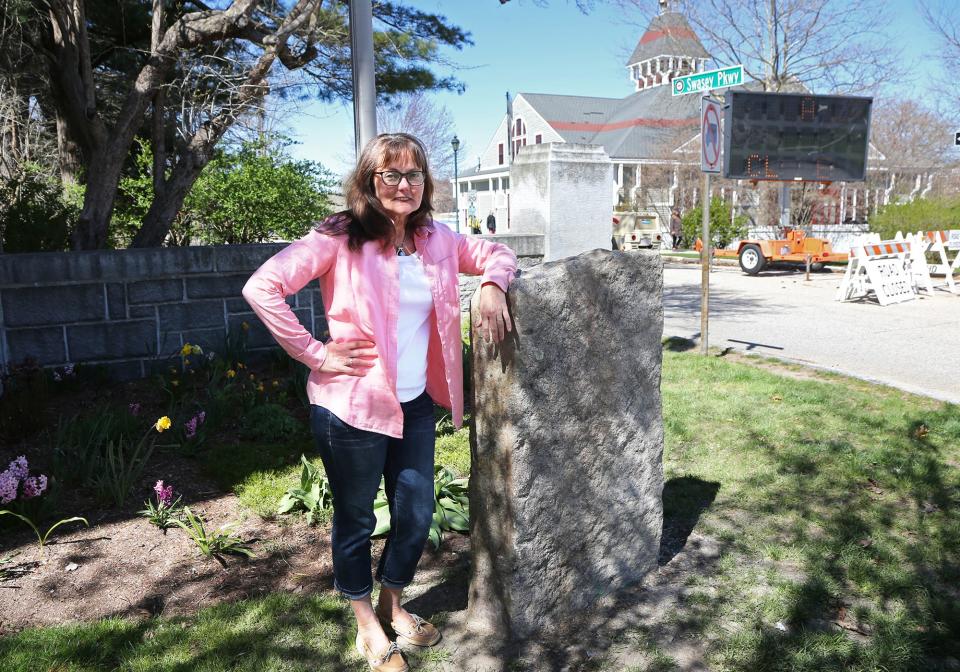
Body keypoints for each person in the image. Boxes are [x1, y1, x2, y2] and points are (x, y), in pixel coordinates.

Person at [242, 133, 517, 672]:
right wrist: (315, 352)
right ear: (370, 181)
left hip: (414, 406)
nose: (403, 184)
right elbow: (263, 286)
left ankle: (394, 602)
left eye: (414, 175)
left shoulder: (435, 238)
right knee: (356, 519)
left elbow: (495, 251)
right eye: (390, 174)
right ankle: (366, 620)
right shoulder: (340, 235)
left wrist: (492, 285)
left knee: (415, 513)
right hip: (350, 408)